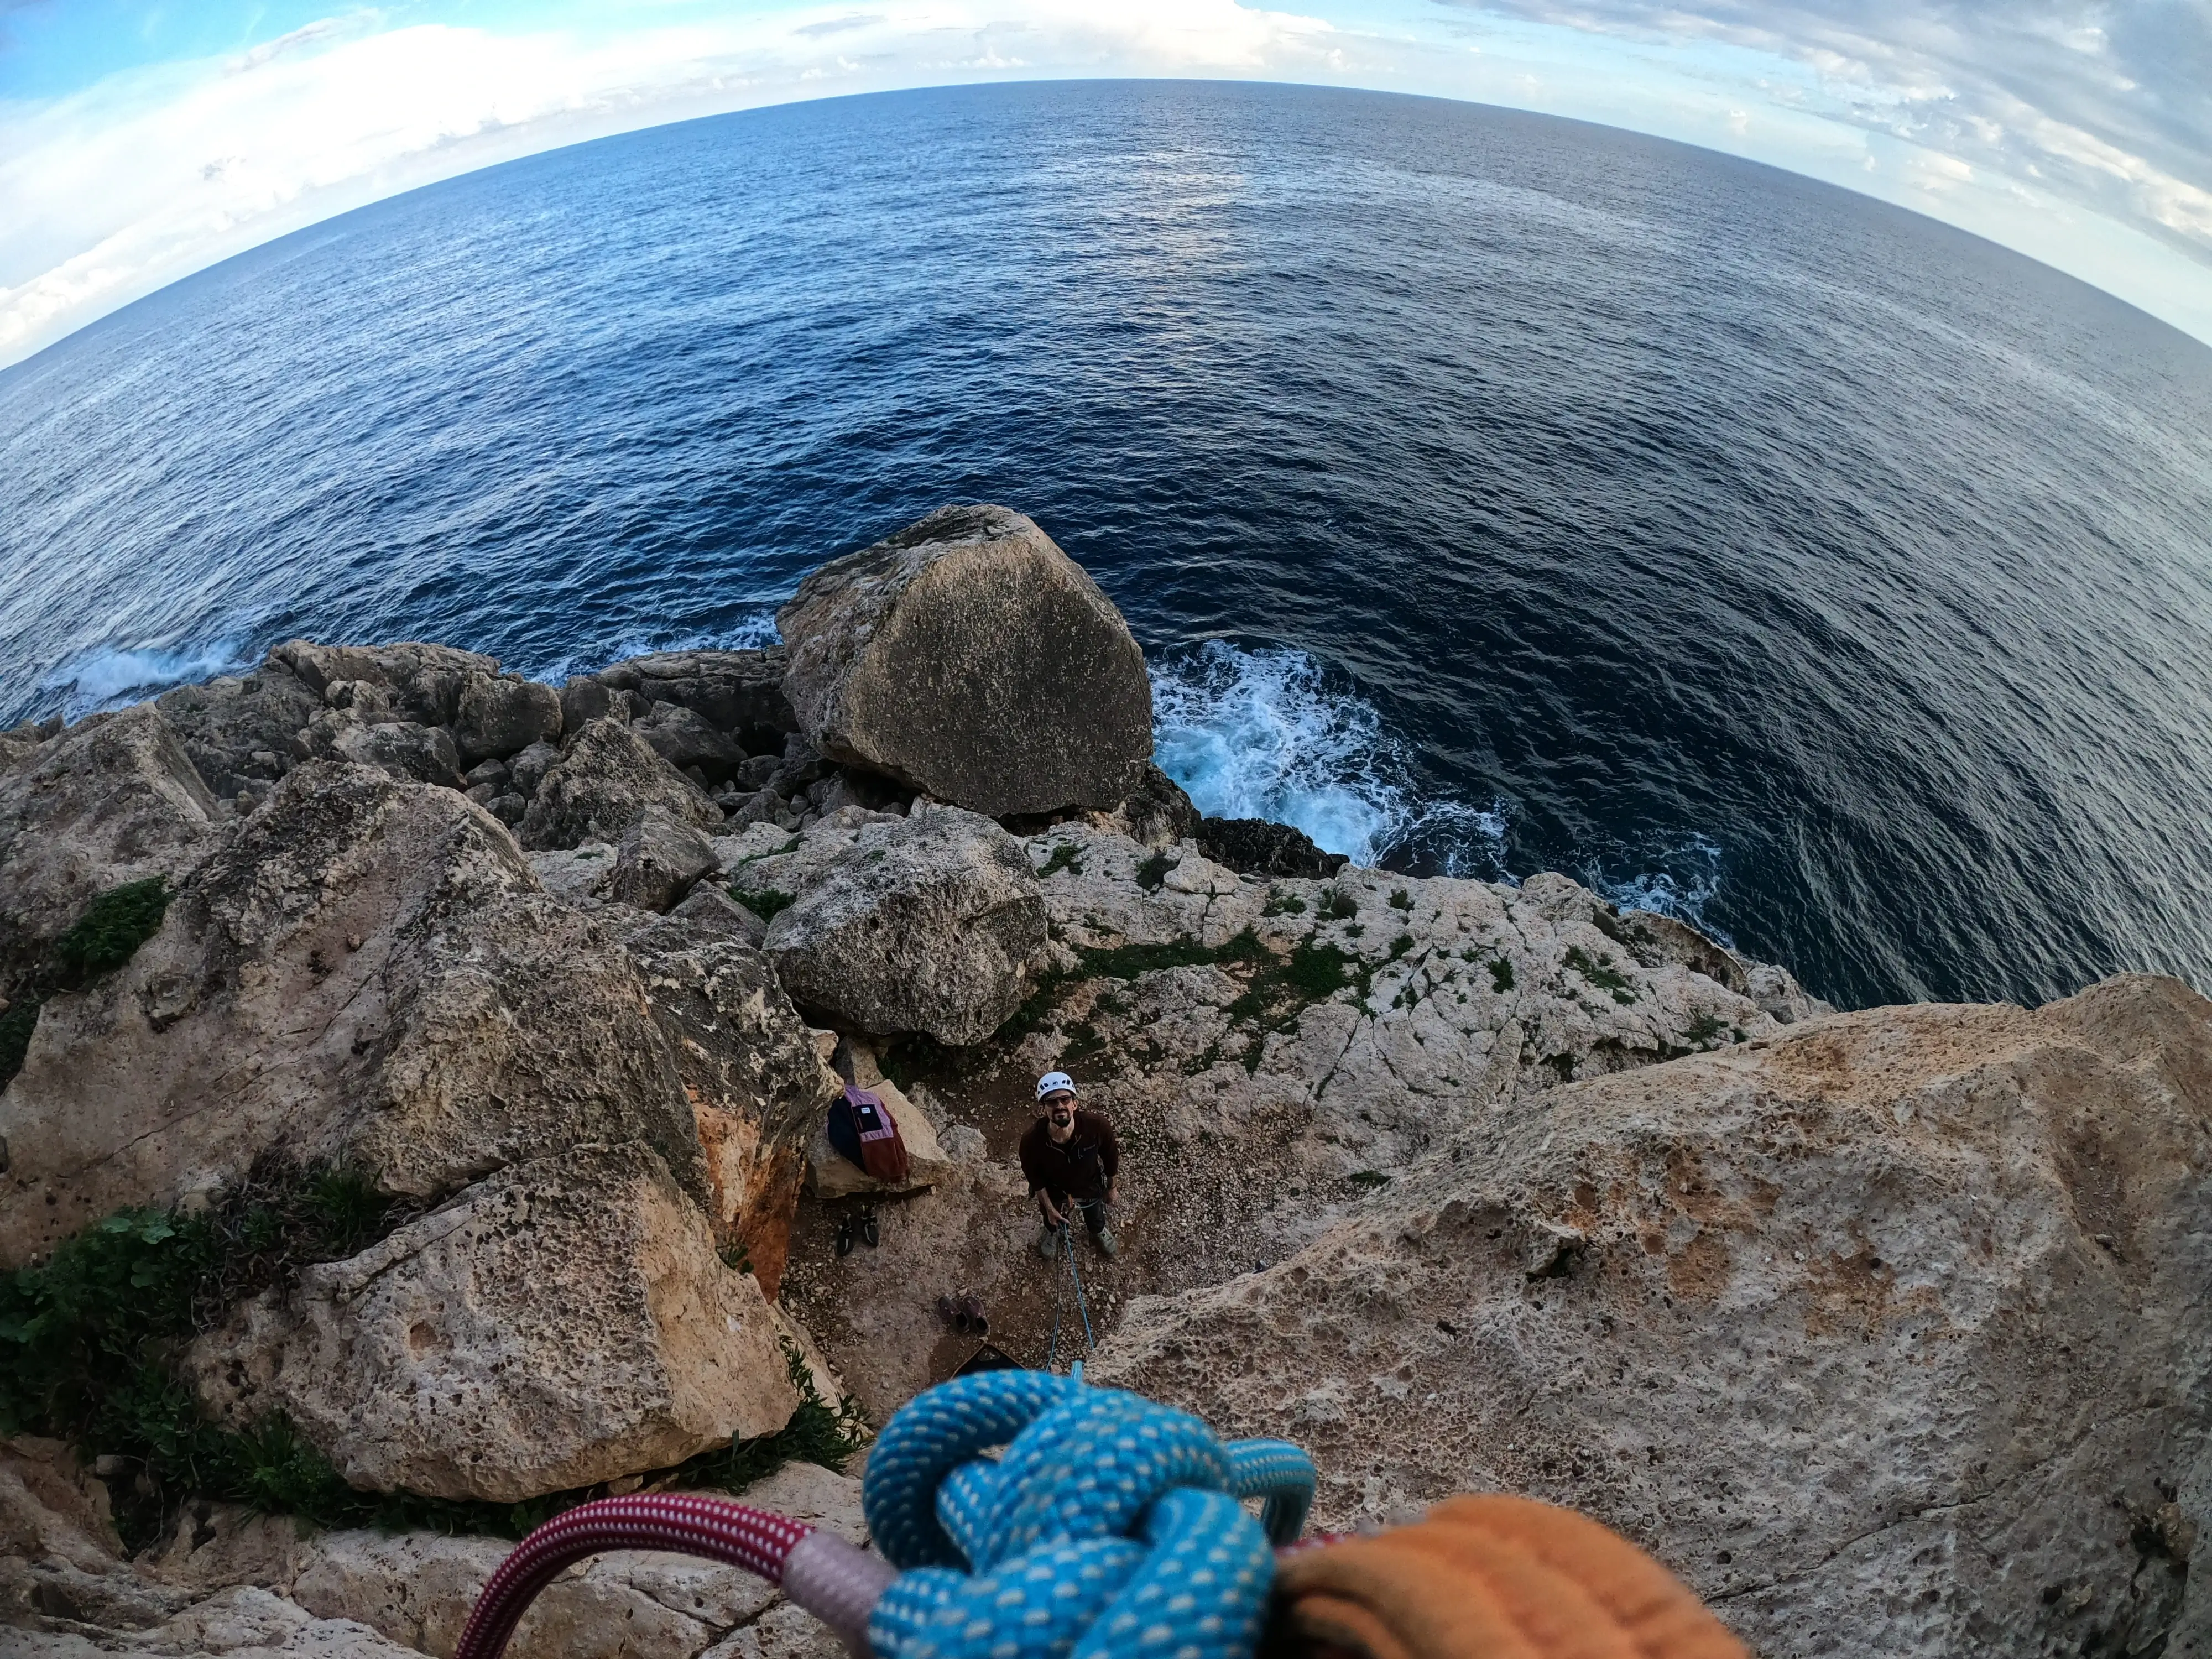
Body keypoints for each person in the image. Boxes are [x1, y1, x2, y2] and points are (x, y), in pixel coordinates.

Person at [1019, 1070, 1120, 1259]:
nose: (1059, 1106)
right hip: (1054, 1191)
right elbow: (1036, 1180)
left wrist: (1112, 1187)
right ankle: (1052, 1230)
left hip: (1090, 1186)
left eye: (1065, 1099)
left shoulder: (1097, 1127)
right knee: (1052, 1218)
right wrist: (1050, 1210)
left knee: (1095, 1215)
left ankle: (1098, 1230)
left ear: (1075, 1103)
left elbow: (1110, 1156)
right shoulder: (1031, 1141)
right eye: (1051, 1102)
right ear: (1043, 1109)